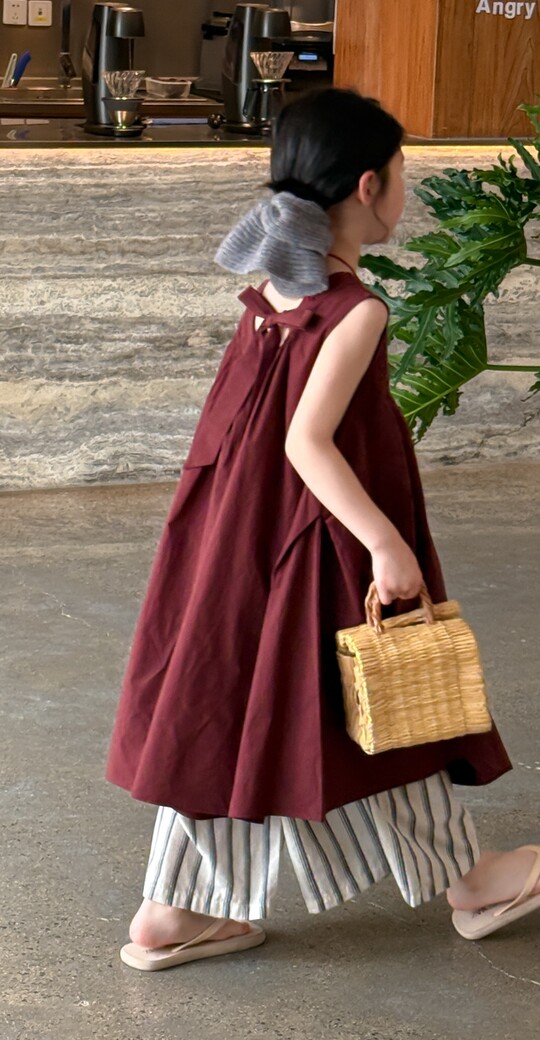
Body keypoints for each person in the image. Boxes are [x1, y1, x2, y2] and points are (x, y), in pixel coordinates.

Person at [105, 88, 538, 972]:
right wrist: (384, 542)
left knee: (237, 704)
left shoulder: (273, 289)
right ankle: (472, 882)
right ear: (369, 185)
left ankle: (170, 910)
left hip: (238, 534)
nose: (406, 190)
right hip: (318, 535)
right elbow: (307, 441)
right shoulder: (354, 310)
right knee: (375, 694)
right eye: (403, 173)